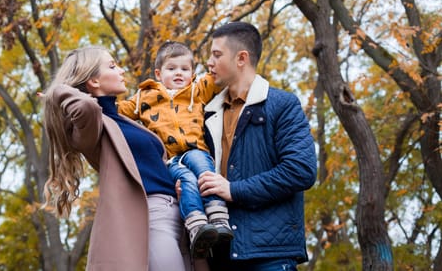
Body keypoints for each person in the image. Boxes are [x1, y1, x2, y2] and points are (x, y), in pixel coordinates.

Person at [41, 46, 208, 271]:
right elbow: (87, 106)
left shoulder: (123, 120)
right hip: (150, 217)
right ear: (93, 81)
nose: (121, 71)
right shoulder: (92, 127)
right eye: (112, 66)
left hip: (179, 213)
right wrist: (57, 92)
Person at [197, 22, 317, 271]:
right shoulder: (205, 113)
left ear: (242, 58)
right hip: (219, 255)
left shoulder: (282, 105)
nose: (209, 62)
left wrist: (235, 190)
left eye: (217, 55)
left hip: (269, 256)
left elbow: (301, 170)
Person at [117, 41, 233, 259]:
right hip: (170, 159)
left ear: (192, 73)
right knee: (187, 181)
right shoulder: (144, 97)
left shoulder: (196, 91)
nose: (179, 73)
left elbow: (219, 75)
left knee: (203, 170)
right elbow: (116, 111)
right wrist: (83, 97)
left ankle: (218, 216)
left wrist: (223, 53)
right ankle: (197, 225)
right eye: (172, 69)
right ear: (159, 73)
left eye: (185, 69)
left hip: (195, 149)